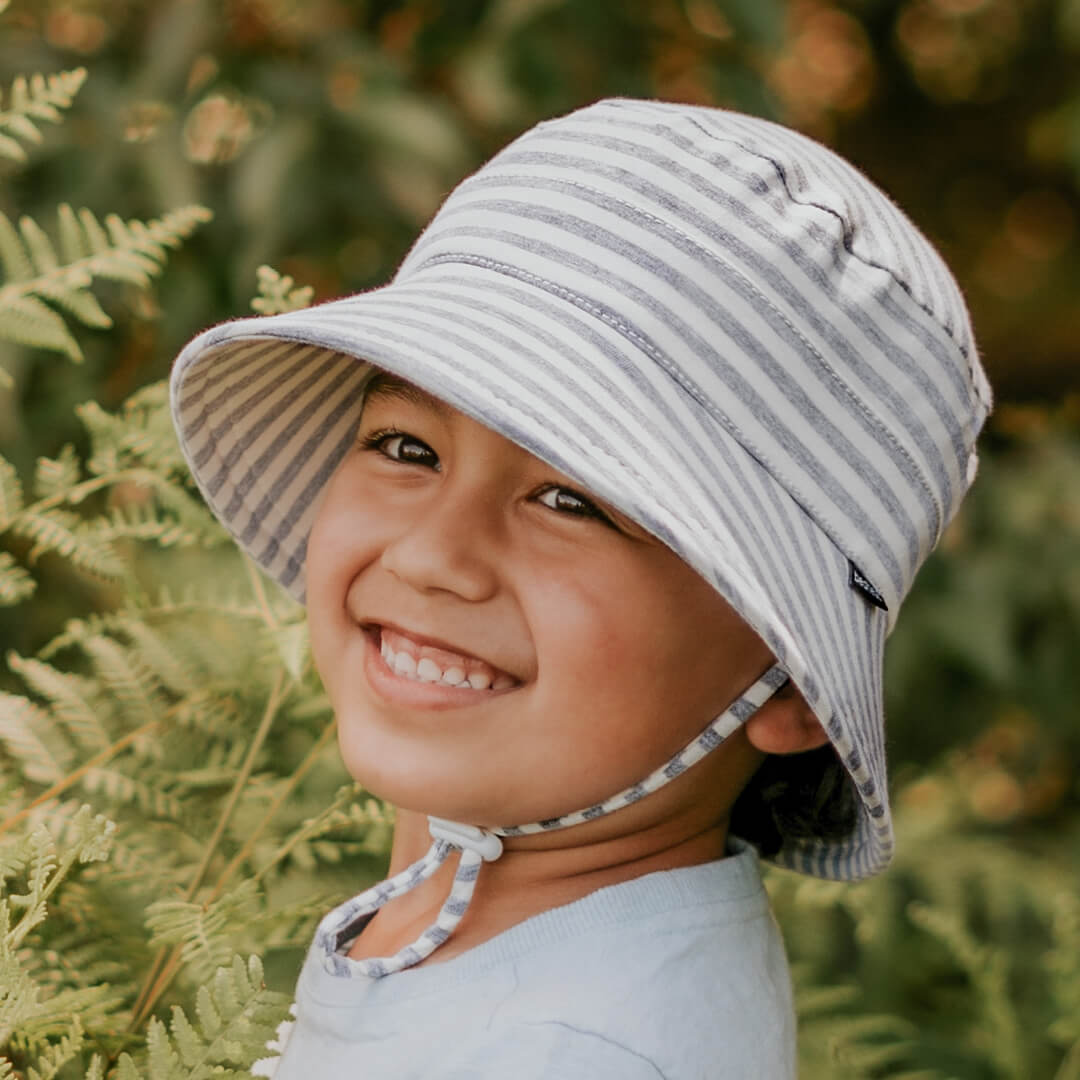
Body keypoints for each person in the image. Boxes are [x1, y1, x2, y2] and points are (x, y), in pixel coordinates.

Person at [169, 97, 992, 1078]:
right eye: (406, 446)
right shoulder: (513, 943)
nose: (435, 555)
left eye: (571, 500)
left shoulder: (574, 1055)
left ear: (790, 683)